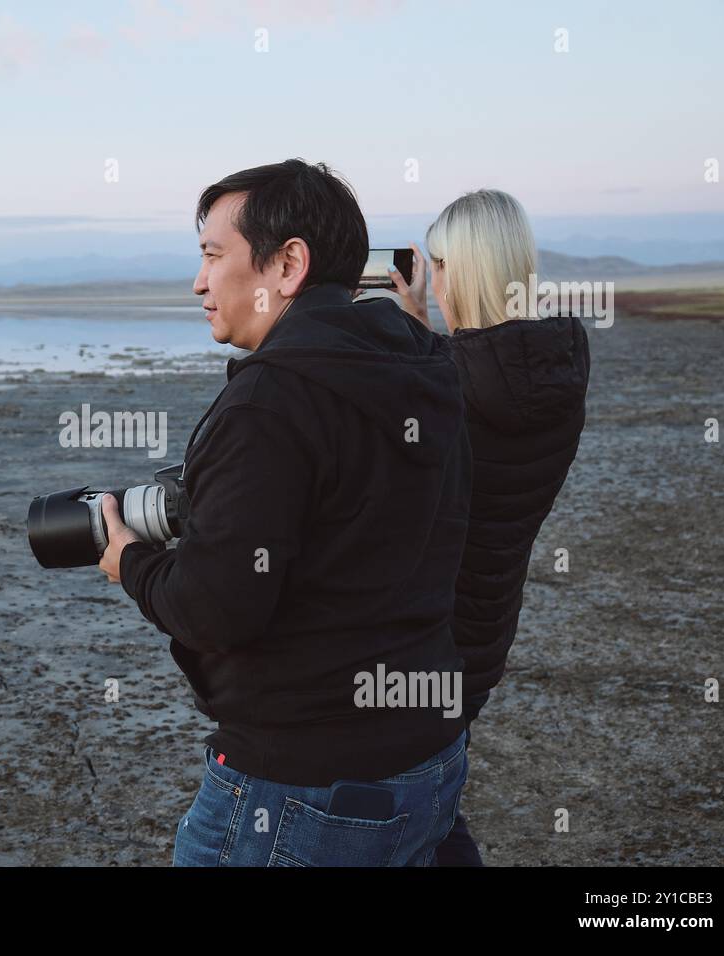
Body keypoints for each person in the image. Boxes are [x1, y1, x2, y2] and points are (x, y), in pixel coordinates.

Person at [97, 159, 472, 866]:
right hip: (429, 756)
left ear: (288, 264)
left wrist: (132, 563)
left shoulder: (271, 401)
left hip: (303, 782)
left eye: (213, 255)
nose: (199, 281)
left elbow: (216, 608)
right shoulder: (428, 366)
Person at [384, 189, 591, 865]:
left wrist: (409, 333)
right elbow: (478, 386)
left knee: (409, 819)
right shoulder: (560, 370)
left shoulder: (445, 382)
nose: (432, 283)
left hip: (423, 643)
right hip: (485, 635)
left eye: (438, 269)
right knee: (434, 809)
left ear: (463, 272)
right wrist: (422, 329)